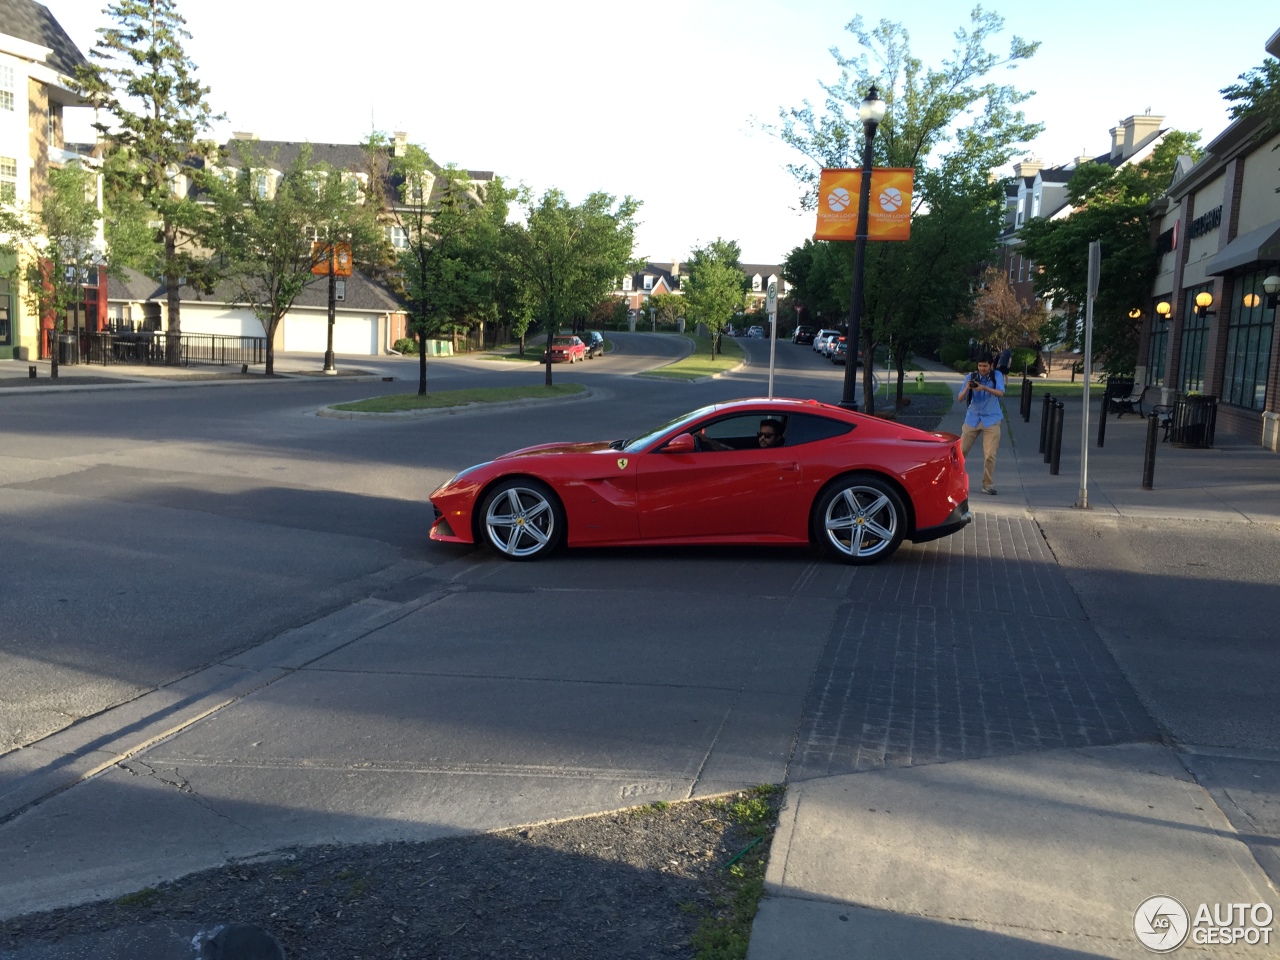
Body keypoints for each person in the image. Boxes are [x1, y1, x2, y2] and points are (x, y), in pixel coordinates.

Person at [958, 355, 1005, 495]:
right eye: (980, 366)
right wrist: (967, 388)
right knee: (960, 452)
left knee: (990, 454)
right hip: (973, 419)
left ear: (990, 365)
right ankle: (955, 482)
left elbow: (1001, 393)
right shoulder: (971, 376)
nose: (982, 369)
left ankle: (987, 485)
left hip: (992, 419)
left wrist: (984, 388)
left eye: (985, 366)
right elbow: (960, 399)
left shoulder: (996, 375)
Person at [696, 417, 786, 451]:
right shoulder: (757, 448)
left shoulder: (775, 453)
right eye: (760, 434)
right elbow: (729, 451)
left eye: (767, 435)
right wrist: (706, 440)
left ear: (778, 438)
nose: (762, 438)